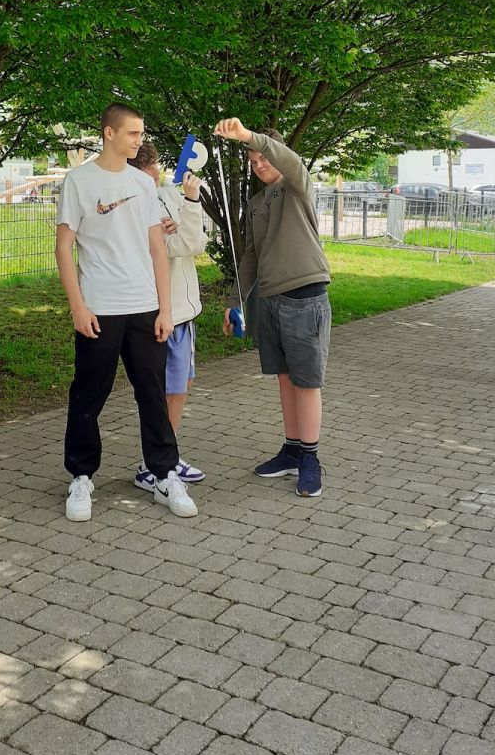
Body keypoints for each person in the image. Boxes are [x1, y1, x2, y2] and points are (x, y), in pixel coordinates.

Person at [55, 103, 199, 521]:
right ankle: (81, 477)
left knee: (152, 394)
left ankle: (164, 475)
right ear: (109, 133)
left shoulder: (142, 183)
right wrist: (77, 306)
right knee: (88, 394)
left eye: (141, 133)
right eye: (133, 133)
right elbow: (63, 248)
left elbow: (157, 250)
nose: (139, 140)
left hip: (145, 308)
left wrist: (165, 310)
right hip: (99, 308)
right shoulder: (78, 182)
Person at [214, 117, 331, 497]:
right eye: (252, 161)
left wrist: (247, 136)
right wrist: (234, 301)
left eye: (263, 157)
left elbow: (288, 160)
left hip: (305, 297)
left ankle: (310, 458)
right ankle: (293, 449)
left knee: (306, 382)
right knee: (284, 378)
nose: (259, 165)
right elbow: (251, 256)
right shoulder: (256, 204)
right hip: (271, 300)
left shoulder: (296, 184)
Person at [129, 141, 207, 490]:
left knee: (181, 386)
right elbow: (181, 244)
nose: (157, 176)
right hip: (162, 310)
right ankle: (154, 464)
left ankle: (166, 456)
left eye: (156, 168)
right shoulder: (138, 204)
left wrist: (184, 211)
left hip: (181, 310)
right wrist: (191, 202)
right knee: (165, 390)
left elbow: (194, 240)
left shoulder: (164, 194)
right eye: (149, 172)